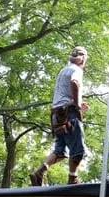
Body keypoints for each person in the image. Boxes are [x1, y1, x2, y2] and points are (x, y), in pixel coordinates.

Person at [31, 46, 90, 186]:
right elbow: (74, 83)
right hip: (69, 114)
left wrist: (78, 103)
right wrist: (76, 105)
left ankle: (39, 173)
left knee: (60, 151)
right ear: (82, 58)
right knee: (78, 151)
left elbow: (64, 94)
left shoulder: (63, 70)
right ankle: (72, 178)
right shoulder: (76, 70)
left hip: (57, 115)